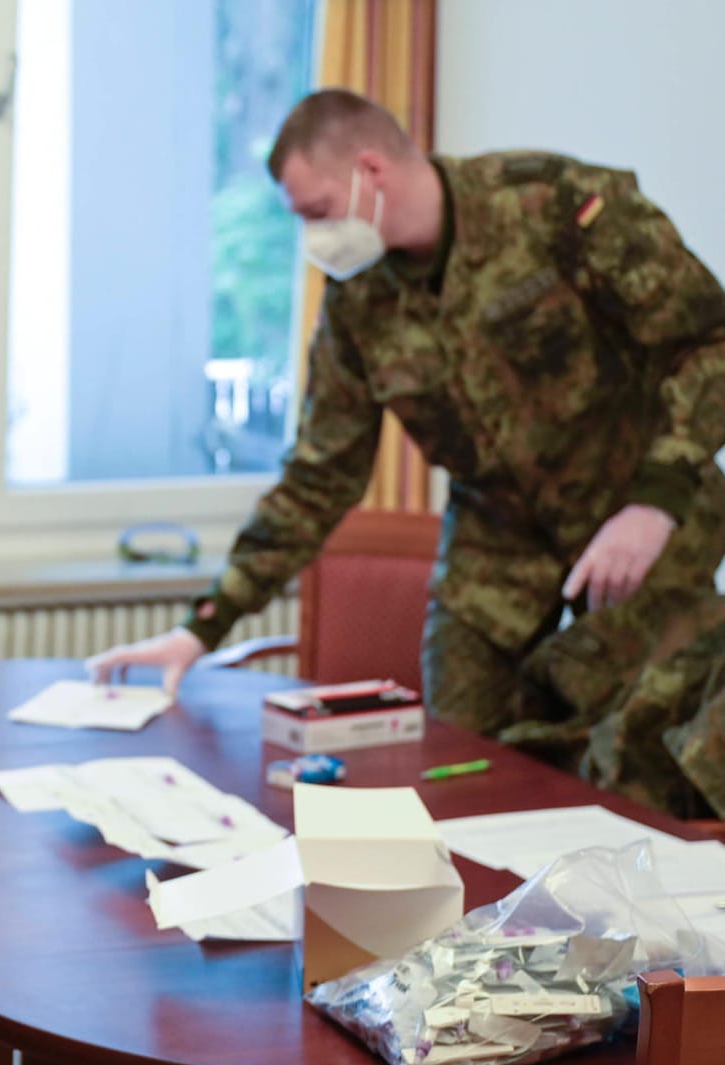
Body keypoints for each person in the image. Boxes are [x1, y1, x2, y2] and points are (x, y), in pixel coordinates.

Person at [89, 89, 725, 758]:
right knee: (456, 755)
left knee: (636, 756)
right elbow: (318, 476)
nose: (315, 237)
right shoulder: (359, 300)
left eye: (319, 211)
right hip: (498, 552)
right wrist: (201, 628)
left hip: (642, 525)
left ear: (371, 170)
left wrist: (655, 504)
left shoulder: (554, 206)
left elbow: (709, 340)